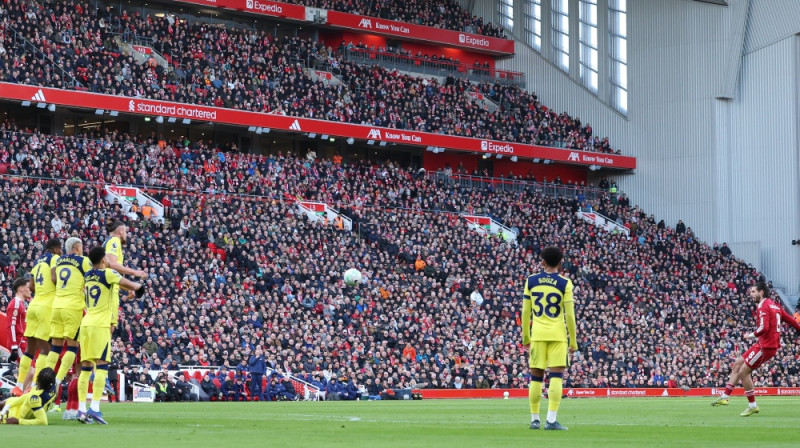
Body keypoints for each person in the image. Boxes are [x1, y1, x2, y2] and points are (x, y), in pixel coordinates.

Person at [711, 282, 800, 415]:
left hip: (766, 347)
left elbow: (764, 328)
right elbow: (791, 320)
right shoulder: (775, 306)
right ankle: (725, 397)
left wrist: (750, 335)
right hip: (763, 344)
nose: (751, 294)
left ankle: (752, 405)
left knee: (743, 372)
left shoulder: (763, 306)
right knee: (738, 363)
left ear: (761, 292)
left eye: (753, 292)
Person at [77, 246, 143, 424]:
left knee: (85, 368)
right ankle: (95, 408)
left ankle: (81, 410)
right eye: (106, 257)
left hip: (86, 322)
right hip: (100, 325)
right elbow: (129, 283)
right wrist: (139, 285)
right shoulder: (108, 273)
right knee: (102, 367)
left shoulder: (87, 275)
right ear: (103, 259)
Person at [521, 246, 577, 431]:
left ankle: (535, 420)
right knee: (556, 376)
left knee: (535, 378)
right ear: (560, 263)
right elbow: (570, 316)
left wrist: (526, 337)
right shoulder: (565, 283)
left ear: (542, 262)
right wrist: (573, 341)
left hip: (537, 335)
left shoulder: (531, 280)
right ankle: (551, 420)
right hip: (558, 336)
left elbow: (525, 312)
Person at [14, 238, 62, 396]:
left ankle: (18, 386)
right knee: (45, 350)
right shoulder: (54, 258)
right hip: (46, 307)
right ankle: (35, 386)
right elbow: (54, 278)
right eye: (60, 250)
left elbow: (32, 286)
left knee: (30, 350)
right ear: (56, 249)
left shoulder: (37, 261)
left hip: (34, 305)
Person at [46, 237, 92, 390]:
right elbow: (92, 281)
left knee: (55, 347)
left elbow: (53, 278)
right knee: (72, 347)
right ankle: (57, 382)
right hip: (72, 307)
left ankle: (45, 380)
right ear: (77, 247)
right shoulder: (83, 261)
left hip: (57, 306)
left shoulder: (59, 260)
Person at [6, 278, 31, 396]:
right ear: (21, 289)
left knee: (31, 371)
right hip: (19, 343)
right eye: (28, 287)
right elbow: (11, 325)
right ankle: (18, 393)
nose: (30, 290)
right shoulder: (15, 303)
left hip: (24, 341)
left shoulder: (21, 303)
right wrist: (14, 346)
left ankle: (21, 395)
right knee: (30, 370)